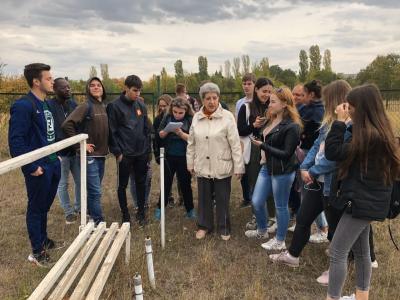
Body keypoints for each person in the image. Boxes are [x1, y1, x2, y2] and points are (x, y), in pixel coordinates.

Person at [324, 84, 400, 300]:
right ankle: (361, 296)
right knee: (361, 252)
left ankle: (333, 298)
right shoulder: (378, 132)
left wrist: (339, 122)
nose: (349, 109)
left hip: (360, 203)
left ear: (362, 108)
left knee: (337, 252)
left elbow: (333, 152)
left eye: (352, 106)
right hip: (366, 202)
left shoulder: (368, 136)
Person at [269, 80, 352, 266]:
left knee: (336, 227)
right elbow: (316, 146)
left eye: (327, 99)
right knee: (303, 218)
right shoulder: (328, 120)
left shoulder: (349, 126)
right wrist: (305, 167)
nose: (324, 103)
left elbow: (333, 158)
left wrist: (312, 171)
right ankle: (292, 256)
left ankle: (344, 261)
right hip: (317, 181)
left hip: (333, 184)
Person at [8, 63, 61, 267]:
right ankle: (37, 251)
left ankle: (44, 239)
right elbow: (16, 141)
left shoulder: (46, 104)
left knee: (44, 206)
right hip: (37, 167)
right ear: (36, 82)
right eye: (48, 78)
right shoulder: (24, 105)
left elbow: (48, 134)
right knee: (36, 208)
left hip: (52, 163)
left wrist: (57, 157)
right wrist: (31, 167)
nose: (52, 81)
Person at [245, 87, 302, 251]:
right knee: (256, 201)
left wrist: (263, 146)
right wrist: (257, 129)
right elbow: (266, 137)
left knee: (281, 206)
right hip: (266, 167)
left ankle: (280, 240)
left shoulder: (292, 126)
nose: (269, 104)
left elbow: (286, 153)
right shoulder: (271, 119)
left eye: (273, 102)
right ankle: (262, 231)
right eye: (270, 101)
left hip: (283, 171)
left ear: (284, 104)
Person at [187, 82, 244, 241]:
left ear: (218, 98)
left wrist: (239, 166)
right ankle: (204, 226)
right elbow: (191, 143)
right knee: (204, 197)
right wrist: (190, 163)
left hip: (222, 164)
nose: (211, 102)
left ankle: (224, 227)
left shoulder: (227, 117)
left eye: (214, 98)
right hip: (202, 165)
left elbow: (235, 143)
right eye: (208, 98)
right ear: (202, 100)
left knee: (222, 198)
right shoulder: (196, 118)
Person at [62, 77, 109, 225]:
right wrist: (81, 145)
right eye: (92, 86)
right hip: (89, 156)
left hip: (102, 155)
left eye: (98, 85)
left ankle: (90, 214)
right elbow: (67, 125)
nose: (96, 87)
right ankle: (98, 222)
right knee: (95, 191)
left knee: (93, 189)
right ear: (88, 90)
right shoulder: (85, 106)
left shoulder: (103, 106)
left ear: (102, 88)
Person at [107, 75, 151, 226]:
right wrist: (118, 152)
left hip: (141, 153)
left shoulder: (141, 106)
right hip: (125, 154)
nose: (137, 94)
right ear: (126, 88)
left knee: (141, 183)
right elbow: (111, 132)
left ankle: (141, 213)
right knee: (123, 185)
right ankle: (125, 214)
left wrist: (147, 151)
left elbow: (146, 129)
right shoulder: (114, 106)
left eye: (139, 91)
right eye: (134, 91)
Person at [237, 77, 276, 230]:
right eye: (263, 91)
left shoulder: (274, 107)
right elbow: (240, 130)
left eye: (269, 91)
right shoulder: (246, 107)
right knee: (255, 184)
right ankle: (257, 216)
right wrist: (253, 125)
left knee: (271, 183)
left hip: (271, 148)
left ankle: (272, 217)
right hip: (253, 149)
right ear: (256, 90)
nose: (266, 94)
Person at [154, 97, 195, 220]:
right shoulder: (167, 117)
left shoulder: (191, 120)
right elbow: (159, 134)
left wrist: (180, 133)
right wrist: (164, 132)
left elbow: (193, 139)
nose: (177, 115)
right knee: (166, 183)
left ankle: (190, 210)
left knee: (185, 184)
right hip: (169, 156)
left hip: (184, 157)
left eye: (180, 113)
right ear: (172, 110)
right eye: (175, 112)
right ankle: (160, 208)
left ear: (186, 111)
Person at [299, 79, 329, 240]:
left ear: (311, 94)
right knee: (306, 192)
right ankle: (321, 226)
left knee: (309, 193)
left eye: (303, 94)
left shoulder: (318, 112)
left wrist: (303, 135)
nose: (301, 98)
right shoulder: (307, 108)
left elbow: (317, 139)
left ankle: (323, 228)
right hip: (306, 153)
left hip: (310, 155)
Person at [48, 78, 80, 224]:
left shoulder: (73, 105)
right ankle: (69, 212)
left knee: (80, 181)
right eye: (63, 87)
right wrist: (53, 152)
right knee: (63, 184)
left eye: (69, 87)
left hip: (74, 150)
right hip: (60, 153)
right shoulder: (49, 106)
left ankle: (79, 208)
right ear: (55, 89)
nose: (68, 89)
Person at [235, 73, 256, 208]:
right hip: (242, 140)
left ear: (255, 85)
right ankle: (246, 197)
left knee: (253, 172)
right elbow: (238, 123)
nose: (246, 86)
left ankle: (255, 199)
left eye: (249, 83)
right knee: (243, 169)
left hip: (254, 141)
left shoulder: (257, 101)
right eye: (244, 84)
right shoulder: (240, 102)